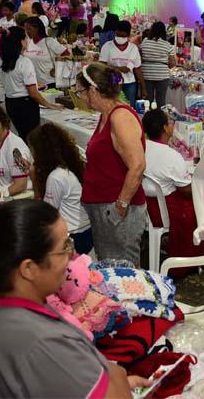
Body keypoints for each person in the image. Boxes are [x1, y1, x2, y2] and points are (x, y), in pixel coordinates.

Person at [0, 200, 148, 397]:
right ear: (29, 269)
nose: (71, 255)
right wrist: (115, 378)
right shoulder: (38, 340)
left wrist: (105, 384)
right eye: (64, 248)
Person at [75, 63, 146, 264]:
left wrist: (120, 205)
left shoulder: (120, 117)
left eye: (81, 92)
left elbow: (138, 165)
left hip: (116, 209)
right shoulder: (106, 115)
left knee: (124, 273)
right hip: (103, 205)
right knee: (109, 268)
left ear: (93, 90)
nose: (80, 97)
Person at [141, 108, 204, 263]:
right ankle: (195, 257)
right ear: (165, 128)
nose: (173, 124)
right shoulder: (171, 156)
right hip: (167, 210)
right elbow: (186, 190)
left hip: (147, 207)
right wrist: (200, 181)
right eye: (170, 122)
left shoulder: (141, 148)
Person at [27, 123, 92, 255]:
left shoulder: (56, 176)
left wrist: (34, 179)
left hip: (75, 236)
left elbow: (46, 212)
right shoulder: (70, 167)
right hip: (85, 231)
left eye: (32, 149)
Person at [0, 26, 61, 140]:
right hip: (25, 105)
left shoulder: (3, 60)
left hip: (11, 103)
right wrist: (49, 105)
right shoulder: (24, 62)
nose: (28, 41)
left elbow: (13, 79)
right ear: (21, 42)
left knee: (23, 136)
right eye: (25, 38)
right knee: (32, 139)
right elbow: (33, 93)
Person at [99, 20, 144, 103]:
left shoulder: (133, 48)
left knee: (129, 107)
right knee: (112, 104)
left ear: (128, 35)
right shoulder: (107, 46)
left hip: (129, 82)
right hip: (113, 81)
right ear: (115, 32)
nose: (120, 38)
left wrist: (144, 87)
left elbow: (138, 69)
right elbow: (102, 65)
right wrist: (118, 68)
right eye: (118, 35)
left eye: (123, 36)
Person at [23, 16, 69, 88]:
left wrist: (59, 67)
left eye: (29, 29)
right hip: (35, 83)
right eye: (25, 29)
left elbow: (66, 54)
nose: (27, 32)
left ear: (37, 28)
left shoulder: (49, 41)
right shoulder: (28, 42)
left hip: (50, 82)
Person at [139, 21, 176, 108]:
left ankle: (147, 118)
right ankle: (160, 119)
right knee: (161, 101)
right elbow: (172, 63)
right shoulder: (167, 45)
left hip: (146, 74)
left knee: (147, 100)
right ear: (163, 31)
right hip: (162, 75)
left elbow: (139, 57)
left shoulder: (144, 42)